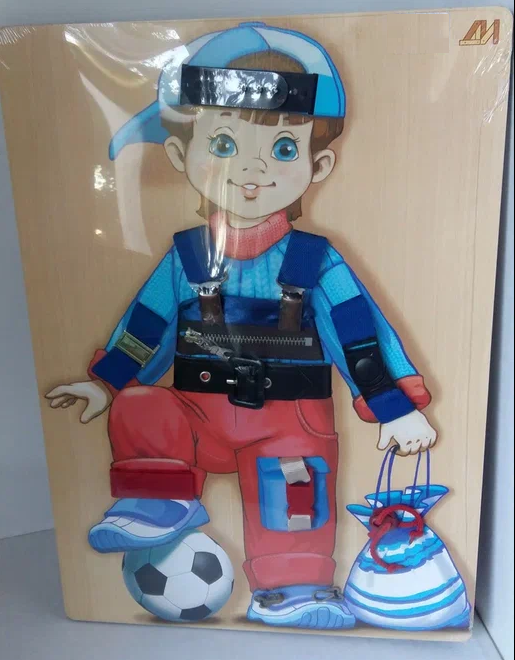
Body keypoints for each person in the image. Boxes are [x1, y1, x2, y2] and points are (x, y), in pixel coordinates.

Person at [46, 22, 437, 630]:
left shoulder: (317, 261)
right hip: (196, 417)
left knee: (297, 497)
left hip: (291, 424)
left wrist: (394, 408)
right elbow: (146, 325)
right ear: (183, 156)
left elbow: (359, 335)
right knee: (140, 407)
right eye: (224, 143)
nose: (251, 169)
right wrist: (106, 384)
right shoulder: (185, 257)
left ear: (318, 163)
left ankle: (290, 591)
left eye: (282, 150)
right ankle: (155, 504)